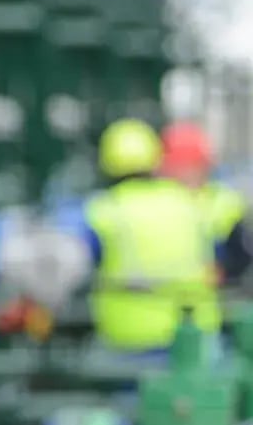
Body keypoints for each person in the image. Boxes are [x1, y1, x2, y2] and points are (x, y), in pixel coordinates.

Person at [81, 118, 221, 353]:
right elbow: (216, 256)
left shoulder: (103, 210)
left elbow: (82, 264)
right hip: (194, 337)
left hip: (129, 341)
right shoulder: (189, 202)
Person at [160, 120, 253, 283]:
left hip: (216, 299)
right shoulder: (158, 201)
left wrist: (224, 271)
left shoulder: (225, 202)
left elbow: (242, 253)